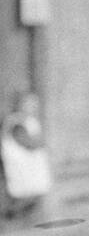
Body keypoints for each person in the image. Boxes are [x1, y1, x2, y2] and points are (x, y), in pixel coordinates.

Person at [0, 90, 52, 219]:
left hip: (32, 165)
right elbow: (26, 141)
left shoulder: (31, 120)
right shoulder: (15, 121)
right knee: (23, 194)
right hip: (22, 165)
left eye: (35, 105)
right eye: (29, 104)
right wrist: (40, 143)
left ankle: (24, 216)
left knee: (35, 194)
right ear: (19, 104)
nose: (33, 107)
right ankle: (12, 216)